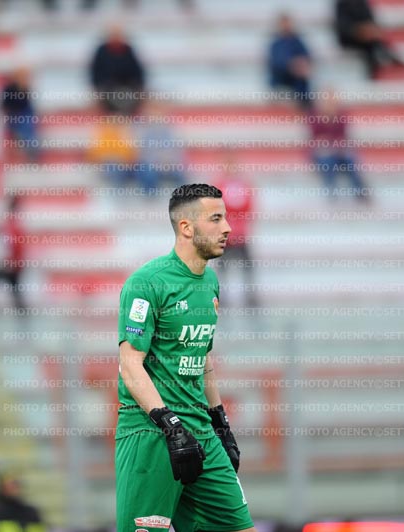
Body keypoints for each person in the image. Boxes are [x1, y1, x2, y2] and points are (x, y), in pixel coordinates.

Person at [116, 184, 254, 531]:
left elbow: (202, 357)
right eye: (216, 219)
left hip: (202, 431)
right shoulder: (147, 283)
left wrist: (220, 421)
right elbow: (130, 365)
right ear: (186, 227)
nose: (228, 228)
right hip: (151, 433)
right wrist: (169, 423)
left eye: (226, 218)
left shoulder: (210, 282)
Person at [309, 90, 370, 203]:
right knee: (327, 161)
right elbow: (316, 137)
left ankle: (360, 193)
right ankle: (331, 191)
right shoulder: (315, 115)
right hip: (323, 152)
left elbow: (343, 136)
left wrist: (335, 144)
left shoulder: (341, 115)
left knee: (350, 160)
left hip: (339, 150)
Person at [214, 163, 258, 308]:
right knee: (223, 266)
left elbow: (249, 207)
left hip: (240, 233)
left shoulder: (243, 186)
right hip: (225, 235)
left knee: (246, 266)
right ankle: (222, 295)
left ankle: (250, 295)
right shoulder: (220, 186)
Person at [334, 0, 404, 79]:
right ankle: (380, 64)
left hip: (366, 38)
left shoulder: (362, 3)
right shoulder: (342, 4)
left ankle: (383, 60)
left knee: (374, 38)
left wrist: (371, 30)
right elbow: (343, 28)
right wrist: (359, 31)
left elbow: (371, 21)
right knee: (371, 45)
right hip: (350, 39)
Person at [89, 23, 145, 114]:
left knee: (136, 94)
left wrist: (136, 85)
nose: (116, 39)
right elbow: (96, 72)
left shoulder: (128, 50)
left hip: (127, 86)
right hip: (107, 86)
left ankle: (130, 115)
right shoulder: (102, 51)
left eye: (118, 36)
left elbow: (137, 72)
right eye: (114, 36)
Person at [135, 103, 186, 196]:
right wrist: (157, 162)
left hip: (168, 163)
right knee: (147, 172)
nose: (155, 117)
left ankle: (184, 198)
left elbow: (176, 152)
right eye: (152, 114)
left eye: (157, 114)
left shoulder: (169, 132)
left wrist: (168, 161)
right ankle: (150, 198)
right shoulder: (142, 132)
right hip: (150, 165)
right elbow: (142, 154)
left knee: (182, 171)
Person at [268, 13, 313, 109]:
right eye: (283, 23)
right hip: (281, 76)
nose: (286, 26)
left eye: (288, 23)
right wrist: (291, 65)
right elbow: (276, 63)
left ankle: (305, 107)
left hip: (296, 77)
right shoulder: (276, 43)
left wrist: (302, 65)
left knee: (302, 78)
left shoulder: (297, 41)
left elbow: (307, 57)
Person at [0, 466, 45, 532]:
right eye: (10, 485)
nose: (14, 488)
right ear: (2, 488)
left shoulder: (30, 511)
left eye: (16, 484)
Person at [1, 67, 40, 163]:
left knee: (28, 126)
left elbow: (28, 106)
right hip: (14, 115)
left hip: (24, 116)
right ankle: (28, 150)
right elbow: (6, 105)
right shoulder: (9, 89)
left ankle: (31, 152)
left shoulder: (25, 88)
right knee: (26, 126)